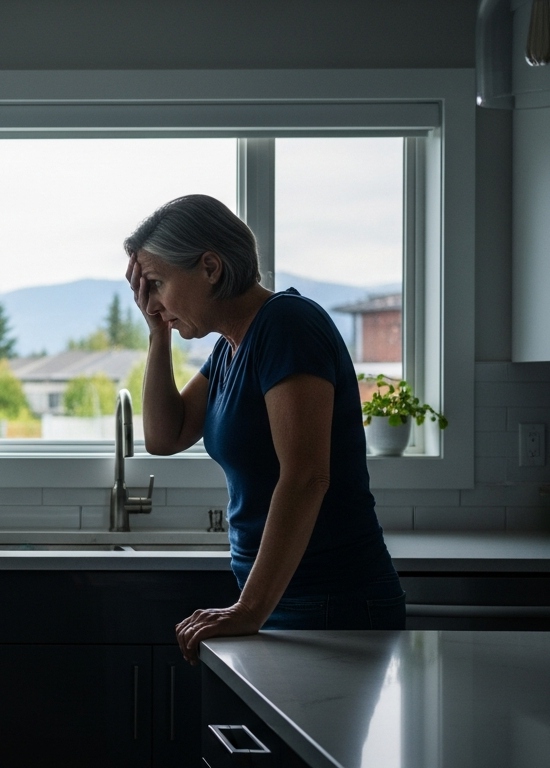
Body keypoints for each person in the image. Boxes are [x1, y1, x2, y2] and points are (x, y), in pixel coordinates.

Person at [121, 194, 405, 665]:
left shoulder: (287, 326)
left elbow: (307, 475)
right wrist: (157, 330)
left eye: (156, 283)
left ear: (210, 267)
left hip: (333, 600)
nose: (150, 300)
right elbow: (164, 436)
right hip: (285, 600)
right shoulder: (233, 347)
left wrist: (249, 609)